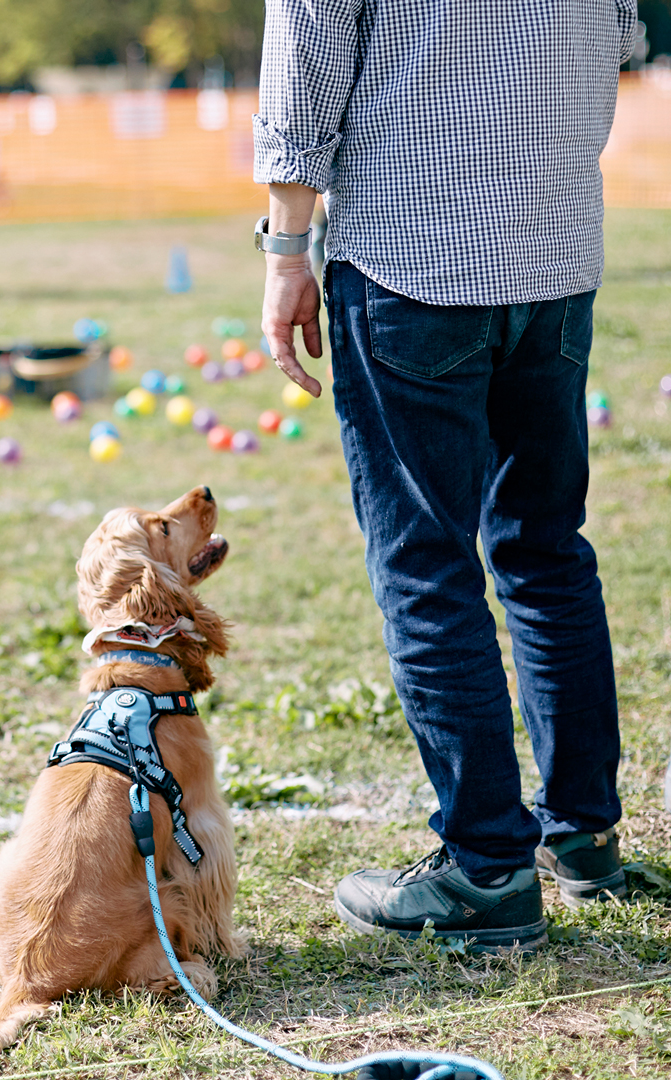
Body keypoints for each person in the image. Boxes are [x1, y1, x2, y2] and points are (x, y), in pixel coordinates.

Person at [255, 2, 637, 951]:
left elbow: (305, 62)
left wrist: (283, 248)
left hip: (410, 261)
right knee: (546, 551)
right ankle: (581, 837)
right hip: (553, 257)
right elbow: (620, 39)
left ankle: (487, 869)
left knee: (428, 569)